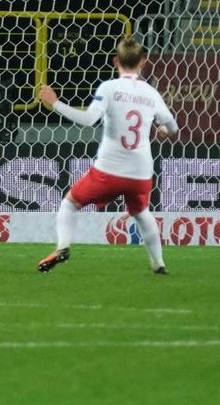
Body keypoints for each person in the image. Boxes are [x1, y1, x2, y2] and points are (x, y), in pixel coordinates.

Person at [36, 36, 178, 275]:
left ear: (115, 61)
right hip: (141, 172)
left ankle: (63, 247)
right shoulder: (151, 92)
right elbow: (173, 127)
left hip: (109, 170)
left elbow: (89, 119)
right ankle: (158, 263)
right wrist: (163, 130)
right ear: (143, 62)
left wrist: (56, 103)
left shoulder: (109, 88)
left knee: (70, 204)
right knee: (141, 212)